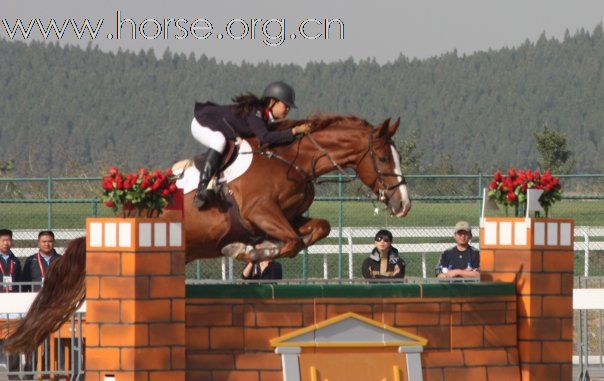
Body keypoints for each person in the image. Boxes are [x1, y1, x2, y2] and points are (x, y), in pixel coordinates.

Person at [191, 81, 312, 208]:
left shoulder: (263, 117)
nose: (287, 109)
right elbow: (265, 138)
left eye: (289, 107)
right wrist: (294, 131)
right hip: (202, 123)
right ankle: (202, 189)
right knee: (219, 141)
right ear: (272, 102)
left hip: (216, 126)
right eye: (285, 105)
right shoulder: (256, 113)